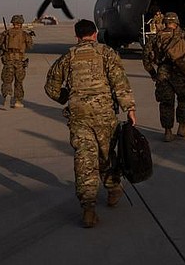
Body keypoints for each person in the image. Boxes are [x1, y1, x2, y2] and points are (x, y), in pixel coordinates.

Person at [44, 19, 136, 228]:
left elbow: (51, 88)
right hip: (104, 114)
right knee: (106, 154)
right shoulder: (106, 53)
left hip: (79, 116)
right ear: (95, 34)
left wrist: (67, 97)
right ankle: (113, 189)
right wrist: (129, 108)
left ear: (76, 36)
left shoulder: (68, 57)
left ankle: (88, 209)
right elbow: (119, 82)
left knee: (84, 159)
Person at [143, 12, 185, 142]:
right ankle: (182, 128)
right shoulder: (183, 35)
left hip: (163, 74)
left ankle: (168, 132)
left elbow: (146, 58)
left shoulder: (155, 38)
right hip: (181, 73)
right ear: (177, 22)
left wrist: (153, 73)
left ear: (164, 22)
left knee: (166, 103)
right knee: (184, 99)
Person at [0, 14, 34, 109]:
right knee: (19, 82)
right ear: (21, 23)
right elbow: (30, 46)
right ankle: (18, 101)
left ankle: (7, 94)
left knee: (7, 81)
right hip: (19, 62)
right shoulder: (24, 34)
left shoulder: (6, 33)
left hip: (8, 61)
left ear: (13, 23)